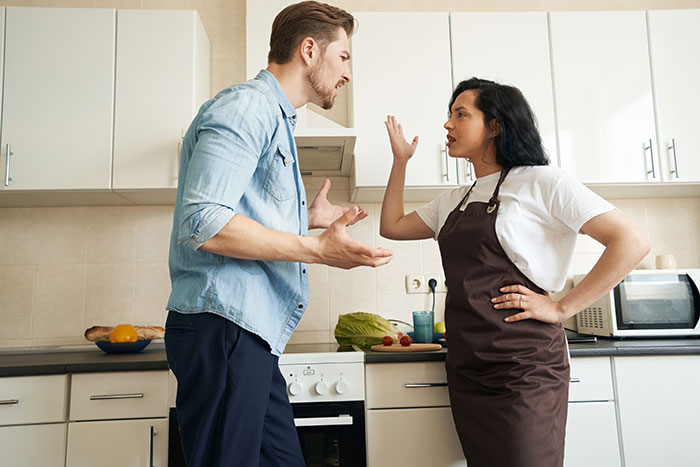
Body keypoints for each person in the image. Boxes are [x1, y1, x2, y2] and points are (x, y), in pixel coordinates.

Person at [164, 2, 393, 466]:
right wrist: (315, 249)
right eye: (344, 57)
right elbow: (204, 220)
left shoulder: (275, 117)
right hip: (225, 326)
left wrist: (304, 219)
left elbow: (235, 213)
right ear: (309, 50)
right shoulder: (247, 106)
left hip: (249, 335)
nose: (348, 73)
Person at [379, 77, 650, 467]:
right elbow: (392, 226)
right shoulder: (454, 199)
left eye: (460, 114)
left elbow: (631, 242)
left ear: (494, 125)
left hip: (525, 368)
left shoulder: (544, 182)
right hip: (468, 367)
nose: (447, 125)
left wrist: (561, 308)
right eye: (449, 115)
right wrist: (400, 161)